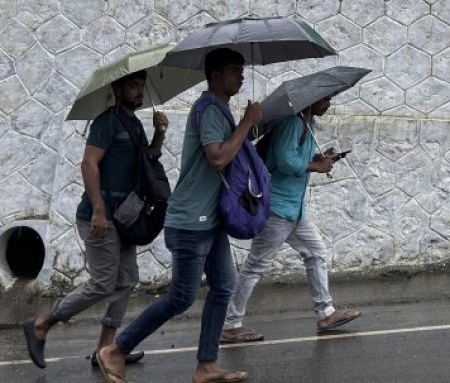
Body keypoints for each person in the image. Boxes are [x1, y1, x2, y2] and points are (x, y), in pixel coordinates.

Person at [96, 48, 261, 383]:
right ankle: (115, 350)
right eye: (233, 70)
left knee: (224, 286)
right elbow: (217, 158)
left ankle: (206, 366)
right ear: (215, 75)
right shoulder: (209, 109)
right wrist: (246, 123)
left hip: (210, 218)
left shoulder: (220, 110)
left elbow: (230, 155)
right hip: (191, 220)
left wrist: (248, 127)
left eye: (242, 70)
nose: (240, 76)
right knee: (182, 296)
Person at [22, 70, 167, 370]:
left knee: (126, 280)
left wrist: (160, 132)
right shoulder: (107, 122)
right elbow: (89, 164)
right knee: (103, 282)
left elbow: (146, 159)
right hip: (99, 217)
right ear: (117, 89)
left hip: (125, 218)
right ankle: (41, 324)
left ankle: (106, 349)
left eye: (141, 86)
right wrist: (99, 211)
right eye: (132, 86)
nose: (139, 91)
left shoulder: (135, 124)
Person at [221, 95, 360, 343]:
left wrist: (318, 158)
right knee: (256, 266)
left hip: (295, 209)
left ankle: (326, 313)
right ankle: (231, 323)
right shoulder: (293, 124)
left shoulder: (308, 124)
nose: (329, 103)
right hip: (278, 207)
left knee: (316, 252)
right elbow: (284, 161)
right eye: (326, 99)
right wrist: (315, 167)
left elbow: (295, 157)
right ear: (312, 99)